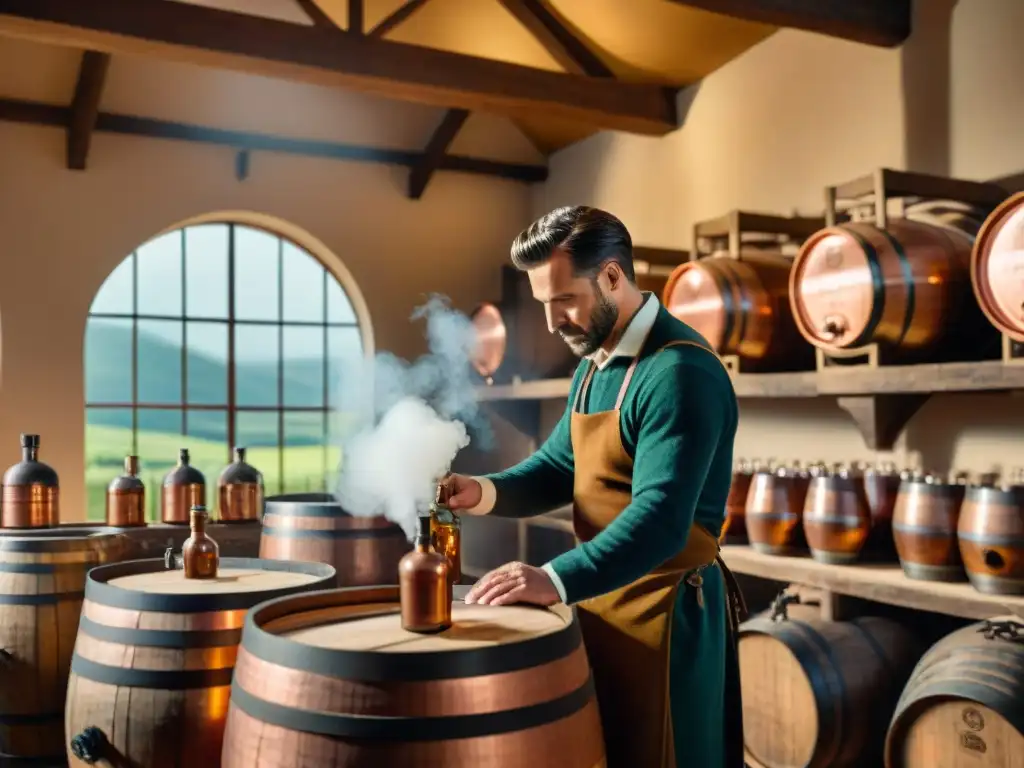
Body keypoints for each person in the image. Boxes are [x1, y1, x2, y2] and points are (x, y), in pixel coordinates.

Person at [445, 206, 746, 768]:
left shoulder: (679, 372)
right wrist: (479, 490)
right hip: (604, 597)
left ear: (612, 276)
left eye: (564, 300)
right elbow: (560, 467)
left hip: (667, 611)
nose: (554, 321)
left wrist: (554, 578)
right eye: (544, 305)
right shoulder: (594, 365)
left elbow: (659, 520)